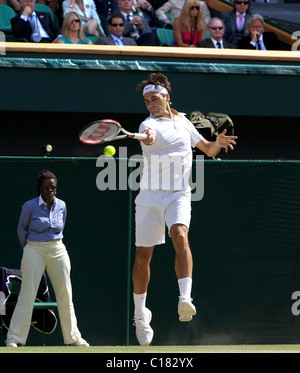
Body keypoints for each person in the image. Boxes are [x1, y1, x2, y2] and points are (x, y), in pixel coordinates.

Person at [132, 73, 237, 346]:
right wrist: (147, 136)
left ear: (167, 97)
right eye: (146, 101)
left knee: (180, 235)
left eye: (154, 99)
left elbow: (207, 149)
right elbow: (149, 136)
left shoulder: (184, 123)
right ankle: (141, 314)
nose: (150, 104)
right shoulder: (148, 124)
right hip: (149, 198)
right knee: (143, 257)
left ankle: (185, 299)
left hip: (178, 194)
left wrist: (218, 143)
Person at [5, 170, 89, 347]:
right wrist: (29, 248)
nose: (50, 191)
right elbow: (22, 229)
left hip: (58, 250)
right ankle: (14, 338)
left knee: (65, 294)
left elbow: (60, 227)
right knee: (27, 293)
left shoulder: (62, 205)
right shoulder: (29, 206)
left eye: (53, 188)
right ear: (39, 188)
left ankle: (73, 338)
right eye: (46, 187)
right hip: (34, 250)